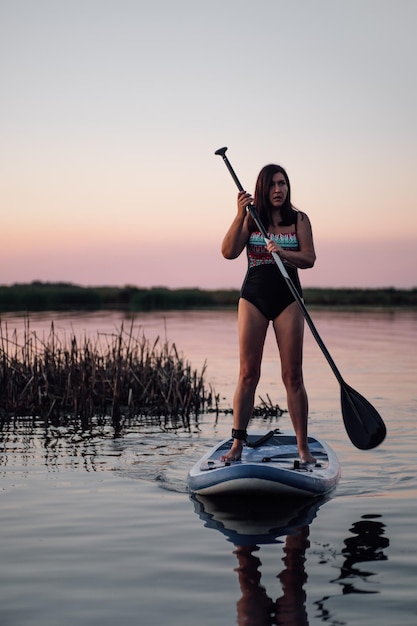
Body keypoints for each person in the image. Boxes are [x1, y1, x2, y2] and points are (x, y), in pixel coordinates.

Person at [220, 163, 316, 464]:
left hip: (289, 299)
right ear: (263, 188)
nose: (279, 190)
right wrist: (240, 215)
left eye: (283, 184)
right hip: (253, 298)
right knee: (248, 374)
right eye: (273, 184)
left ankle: (303, 450)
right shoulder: (252, 220)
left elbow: (309, 258)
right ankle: (237, 444)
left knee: (293, 376)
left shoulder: (299, 219)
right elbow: (227, 252)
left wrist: (283, 253)